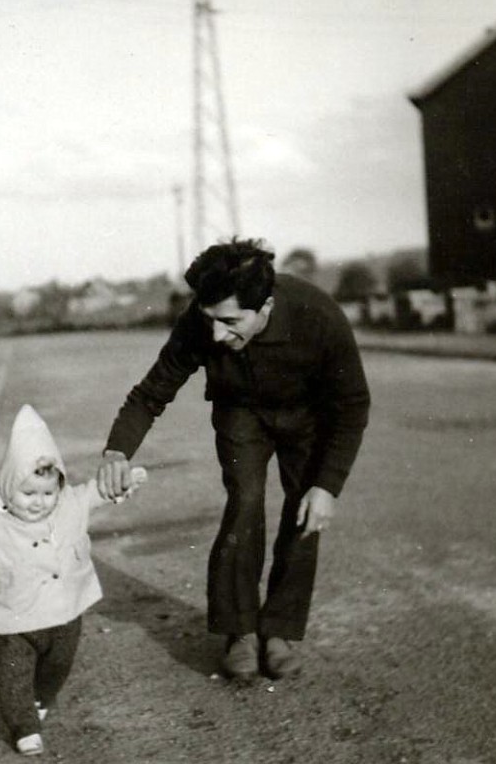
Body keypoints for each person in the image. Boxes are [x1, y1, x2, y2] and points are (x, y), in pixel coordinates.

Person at [97, 238, 370, 681]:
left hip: (307, 415)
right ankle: (239, 630)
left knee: (305, 509)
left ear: (265, 307)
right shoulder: (200, 323)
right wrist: (116, 451)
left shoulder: (318, 316)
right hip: (239, 410)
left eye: (230, 322)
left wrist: (328, 486)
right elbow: (151, 393)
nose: (217, 336)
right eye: (210, 321)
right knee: (245, 500)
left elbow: (353, 405)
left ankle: (279, 630)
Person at [0, 404, 146, 756]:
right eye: (29, 494)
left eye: (47, 493)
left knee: (58, 665)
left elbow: (97, 492)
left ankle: (40, 697)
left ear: (59, 486)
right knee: (13, 673)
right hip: (13, 617)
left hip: (64, 612)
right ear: (9, 487)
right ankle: (23, 725)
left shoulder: (70, 503)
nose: (39, 503)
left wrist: (121, 483)